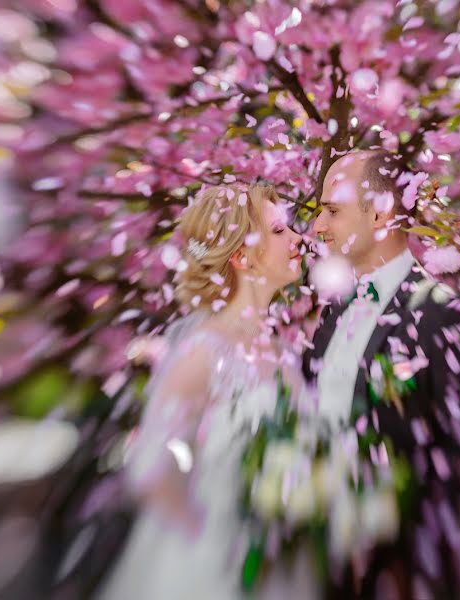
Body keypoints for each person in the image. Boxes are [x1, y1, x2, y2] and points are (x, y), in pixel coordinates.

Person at [96, 184, 318, 600]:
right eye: (278, 231)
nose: (297, 238)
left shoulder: (282, 348)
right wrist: (212, 546)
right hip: (215, 571)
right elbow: (149, 470)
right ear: (240, 255)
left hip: (280, 560)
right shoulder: (204, 354)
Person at [303, 150, 460, 599]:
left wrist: (400, 555)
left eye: (332, 210)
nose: (318, 227)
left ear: (380, 213)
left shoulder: (443, 315)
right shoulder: (334, 313)